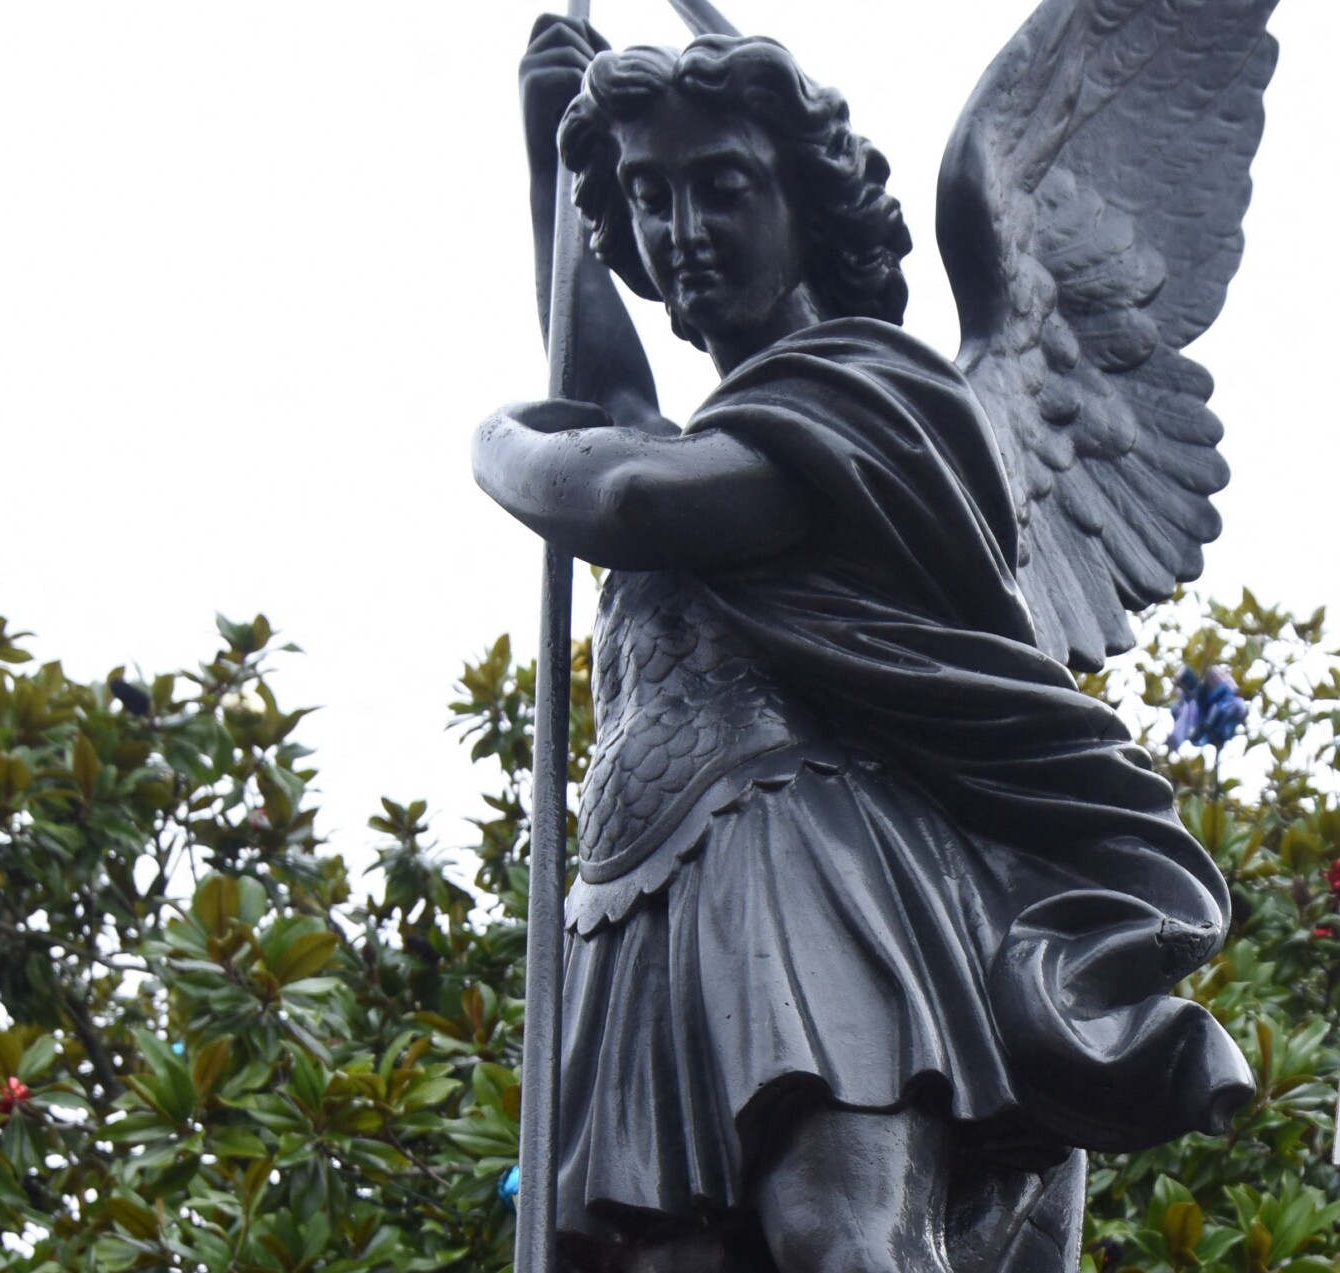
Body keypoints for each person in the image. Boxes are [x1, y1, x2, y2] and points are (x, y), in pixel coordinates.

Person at [473, 19, 1252, 1273]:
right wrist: (540, 161)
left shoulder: (874, 398)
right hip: (642, 895)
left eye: (720, 185)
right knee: (669, 1258)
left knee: (843, 1236)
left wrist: (498, 436)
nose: (680, 232)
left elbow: (618, 497)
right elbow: (609, 399)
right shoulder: (716, 427)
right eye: (646, 196)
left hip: (806, 859)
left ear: (806, 201)